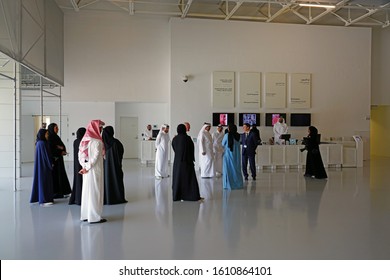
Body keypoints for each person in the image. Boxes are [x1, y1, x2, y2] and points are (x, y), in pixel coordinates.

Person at [78, 120, 107, 224]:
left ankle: (85, 215)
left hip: (86, 171)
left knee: (87, 192)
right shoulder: (97, 142)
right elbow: (95, 157)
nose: (101, 129)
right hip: (95, 170)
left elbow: (81, 155)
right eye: (100, 128)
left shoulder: (84, 140)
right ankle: (94, 217)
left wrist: (84, 166)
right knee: (95, 192)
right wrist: (88, 167)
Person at [171, 124, 202, 202]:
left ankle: (177, 196)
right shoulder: (187, 139)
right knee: (189, 179)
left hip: (177, 163)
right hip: (187, 162)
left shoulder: (174, 139)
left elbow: (174, 148)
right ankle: (190, 196)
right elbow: (191, 149)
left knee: (178, 179)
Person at [102, 125, 127, 204]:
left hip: (105, 168)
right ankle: (118, 198)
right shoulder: (116, 142)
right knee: (116, 180)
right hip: (116, 167)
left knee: (106, 180)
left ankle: (107, 198)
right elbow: (121, 151)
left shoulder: (102, 144)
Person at [30, 129, 54, 206]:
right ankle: (44, 200)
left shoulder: (38, 143)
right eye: (46, 134)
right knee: (44, 182)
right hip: (44, 166)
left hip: (41, 165)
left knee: (41, 181)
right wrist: (51, 164)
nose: (48, 135)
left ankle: (42, 198)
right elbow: (46, 156)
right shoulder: (43, 143)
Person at [47, 123, 71, 198]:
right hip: (54, 160)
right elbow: (51, 149)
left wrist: (61, 149)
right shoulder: (50, 138)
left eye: (57, 128)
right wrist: (60, 150)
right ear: (52, 129)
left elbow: (62, 146)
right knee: (55, 176)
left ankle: (63, 191)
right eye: (56, 128)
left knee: (61, 175)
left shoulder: (56, 137)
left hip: (59, 159)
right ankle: (56, 192)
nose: (57, 129)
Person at [222, 124, 243, 190]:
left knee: (229, 169)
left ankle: (228, 184)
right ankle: (238, 184)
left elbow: (223, 144)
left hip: (228, 154)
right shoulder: (239, 136)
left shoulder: (227, 135)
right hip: (237, 155)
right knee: (236, 169)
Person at [69, 127, 86, 205]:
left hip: (76, 163)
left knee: (77, 179)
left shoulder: (75, 141)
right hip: (82, 163)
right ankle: (81, 198)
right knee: (82, 180)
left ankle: (77, 197)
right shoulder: (83, 142)